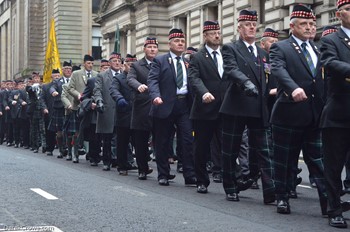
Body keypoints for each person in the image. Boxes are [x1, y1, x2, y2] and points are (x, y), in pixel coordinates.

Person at [269, 4, 327, 215]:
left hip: (314, 114)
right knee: (284, 160)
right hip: (288, 113)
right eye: (304, 24)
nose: (310, 28)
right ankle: (282, 197)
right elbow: (278, 70)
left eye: (312, 24)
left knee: (319, 161)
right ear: (292, 26)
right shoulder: (281, 47)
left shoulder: (319, 48)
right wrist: (293, 88)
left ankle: (328, 203)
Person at [219, 9, 275, 203]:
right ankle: (231, 187)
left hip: (259, 107)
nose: (252, 28)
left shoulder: (262, 53)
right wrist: (247, 83)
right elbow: (232, 70)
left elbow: (269, 76)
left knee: (265, 151)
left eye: (254, 25)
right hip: (237, 105)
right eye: (247, 25)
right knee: (231, 150)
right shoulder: (230, 48)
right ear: (239, 27)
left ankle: (270, 192)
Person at [147, 28, 196, 186]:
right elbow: (152, 80)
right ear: (169, 44)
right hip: (164, 105)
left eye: (182, 41)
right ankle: (163, 173)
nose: (180, 43)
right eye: (177, 41)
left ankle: (189, 174)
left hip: (184, 106)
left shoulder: (188, 62)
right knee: (163, 141)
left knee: (188, 140)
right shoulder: (160, 61)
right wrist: (155, 96)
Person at [188, 20, 228, 193]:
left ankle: (230, 181)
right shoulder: (197, 57)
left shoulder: (227, 54)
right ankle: (202, 180)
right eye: (213, 33)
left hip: (225, 108)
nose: (217, 36)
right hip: (204, 110)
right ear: (205, 36)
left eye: (218, 32)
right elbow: (194, 78)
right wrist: (204, 92)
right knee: (202, 148)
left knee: (228, 146)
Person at [320, 0, 350, 228]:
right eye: (348, 9)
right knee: (334, 164)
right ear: (339, 14)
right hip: (339, 112)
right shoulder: (330, 40)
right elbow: (330, 63)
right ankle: (334, 209)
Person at [127, 37, 158, 180]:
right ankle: (142, 168)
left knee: (161, 140)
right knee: (140, 141)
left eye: (154, 47)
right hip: (142, 107)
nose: (152, 49)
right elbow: (130, 79)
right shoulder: (136, 66)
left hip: (159, 106)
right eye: (149, 47)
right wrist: (138, 85)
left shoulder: (161, 63)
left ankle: (163, 171)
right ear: (144, 49)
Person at [67, 54, 98, 163]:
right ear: (84, 63)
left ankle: (90, 154)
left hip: (91, 107)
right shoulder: (76, 74)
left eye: (92, 63)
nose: (91, 65)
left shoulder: (96, 74)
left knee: (91, 131)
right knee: (77, 132)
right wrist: (78, 95)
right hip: (78, 106)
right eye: (89, 63)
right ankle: (75, 153)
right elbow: (70, 88)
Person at [93, 52, 120, 171]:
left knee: (121, 138)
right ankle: (107, 161)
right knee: (107, 138)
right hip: (107, 109)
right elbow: (97, 90)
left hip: (121, 110)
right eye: (114, 61)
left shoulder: (125, 75)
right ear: (109, 63)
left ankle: (121, 161)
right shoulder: (102, 76)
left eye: (119, 61)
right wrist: (99, 101)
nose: (117, 63)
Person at [50, 61, 73, 158]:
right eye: (66, 69)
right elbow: (52, 88)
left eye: (70, 69)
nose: (68, 70)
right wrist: (53, 92)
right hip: (60, 108)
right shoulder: (57, 81)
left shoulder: (74, 80)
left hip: (72, 108)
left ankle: (69, 151)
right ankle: (61, 150)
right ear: (62, 70)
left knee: (70, 132)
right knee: (59, 133)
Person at [42, 68, 61, 156]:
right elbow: (42, 99)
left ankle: (62, 149)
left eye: (58, 76)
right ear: (51, 76)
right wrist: (44, 108)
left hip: (59, 111)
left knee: (61, 131)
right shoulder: (46, 86)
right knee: (49, 131)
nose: (57, 77)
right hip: (49, 111)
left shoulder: (62, 85)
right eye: (55, 76)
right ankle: (49, 148)